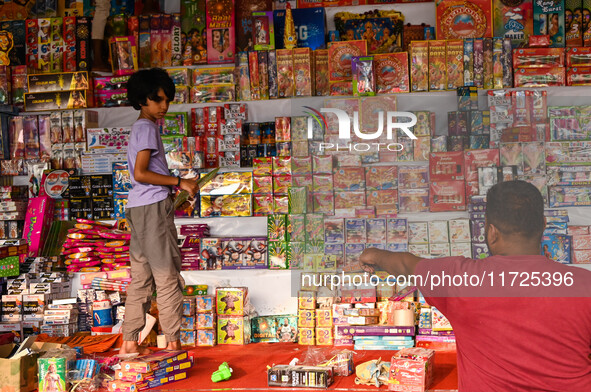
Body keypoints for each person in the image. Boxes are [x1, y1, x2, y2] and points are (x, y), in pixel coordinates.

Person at [360, 180, 591, 391]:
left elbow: (404, 264)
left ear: (491, 233)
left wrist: (372, 255)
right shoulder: (585, 286)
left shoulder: (459, 279)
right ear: (543, 225)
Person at [120, 68, 199, 355]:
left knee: (141, 277)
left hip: (139, 208)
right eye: (158, 100)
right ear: (143, 100)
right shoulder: (146, 128)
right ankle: (173, 344)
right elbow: (141, 173)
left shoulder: (142, 128)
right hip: (152, 207)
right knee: (166, 276)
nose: (164, 106)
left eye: (167, 100)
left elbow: (142, 174)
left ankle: (129, 342)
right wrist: (180, 182)